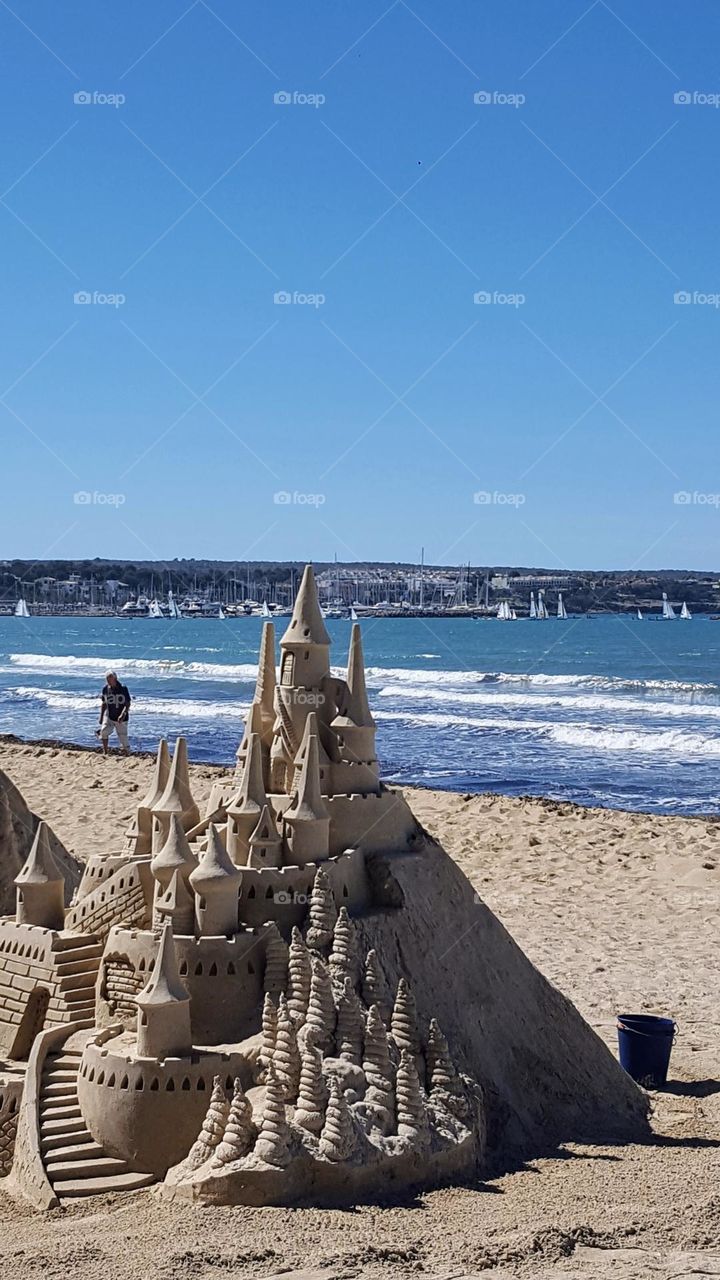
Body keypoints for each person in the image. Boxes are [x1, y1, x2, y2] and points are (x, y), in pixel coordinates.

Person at [97, 671, 131, 756]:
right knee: (104, 732)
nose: (108, 681)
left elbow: (128, 703)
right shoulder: (105, 689)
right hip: (110, 715)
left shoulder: (123, 688)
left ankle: (127, 753)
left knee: (123, 737)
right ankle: (105, 752)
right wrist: (101, 717)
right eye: (107, 679)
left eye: (110, 679)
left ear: (115, 679)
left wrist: (123, 714)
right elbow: (104, 703)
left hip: (122, 718)